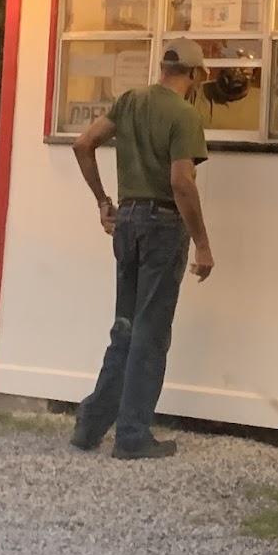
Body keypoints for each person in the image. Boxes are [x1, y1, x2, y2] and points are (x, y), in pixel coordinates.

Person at [69, 38, 214, 460]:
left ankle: (90, 425)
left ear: (163, 67)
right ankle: (132, 435)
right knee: (150, 334)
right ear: (195, 74)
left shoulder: (130, 101)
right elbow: (181, 183)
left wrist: (103, 201)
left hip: (127, 221)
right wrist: (203, 245)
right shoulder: (185, 115)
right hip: (162, 227)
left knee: (126, 328)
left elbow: (83, 144)